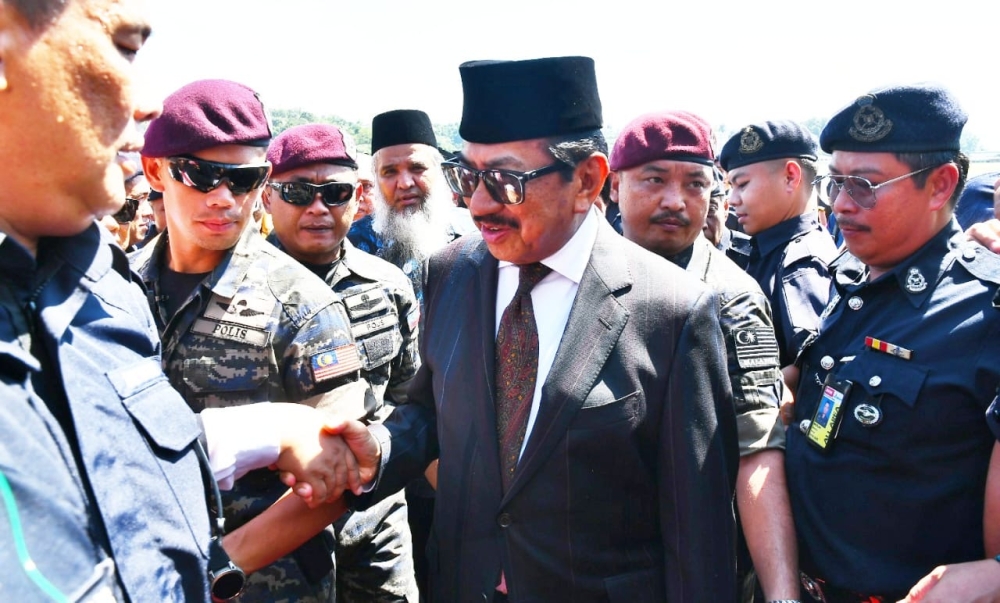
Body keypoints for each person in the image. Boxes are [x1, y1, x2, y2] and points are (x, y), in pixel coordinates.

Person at [339, 55, 739, 602]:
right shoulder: (450, 273)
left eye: (504, 181)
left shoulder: (672, 312)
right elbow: (434, 411)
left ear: (587, 180)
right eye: (468, 176)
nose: (478, 204)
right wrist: (380, 447)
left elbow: (699, 535)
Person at [131, 78, 371, 602]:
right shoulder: (115, 291)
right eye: (199, 174)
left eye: (242, 180)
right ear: (155, 172)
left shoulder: (302, 305)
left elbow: (340, 472)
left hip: (261, 585)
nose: (223, 198)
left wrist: (217, 568)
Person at [785, 84, 1000, 601]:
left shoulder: (986, 310)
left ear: (940, 185)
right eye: (834, 183)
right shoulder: (855, 283)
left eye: (863, 184)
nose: (839, 204)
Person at [609, 109, 798, 602]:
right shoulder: (578, 276)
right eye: (654, 179)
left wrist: (781, 593)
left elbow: (757, 452)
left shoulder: (730, 298)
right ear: (612, 187)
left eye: (696, 184)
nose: (676, 201)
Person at [263, 123, 420, 602]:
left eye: (334, 192)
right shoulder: (235, 288)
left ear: (359, 197)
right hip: (274, 530)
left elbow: (408, 396)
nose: (317, 208)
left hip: (374, 522)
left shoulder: (386, 284)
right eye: (296, 192)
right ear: (268, 199)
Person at [719, 121, 838, 389]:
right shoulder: (776, 250)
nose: (733, 199)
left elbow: (812, 368)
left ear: (790, 177)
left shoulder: (800, 264)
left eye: (742, 184)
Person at [348, 109, 474, 304]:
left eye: (417, 168)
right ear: (377, 179)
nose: (405, 183)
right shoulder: (353, 245)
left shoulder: (474, 234)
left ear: (439, 171)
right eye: (390, 172)